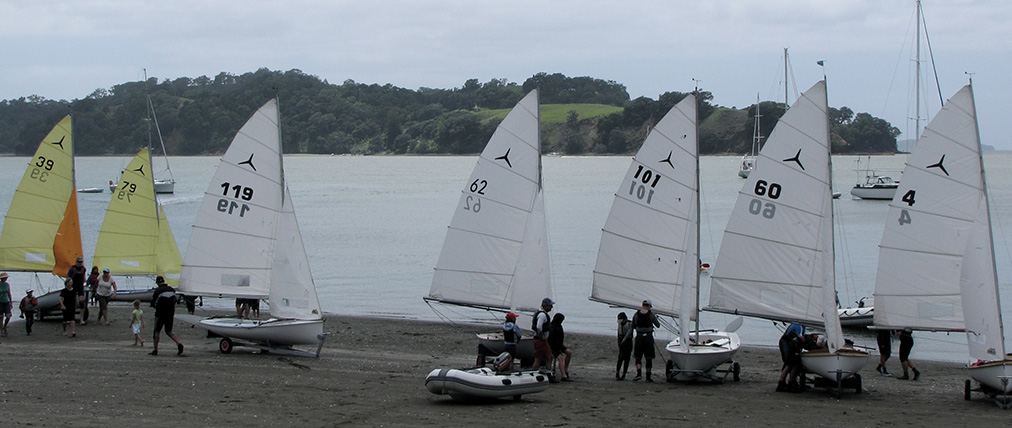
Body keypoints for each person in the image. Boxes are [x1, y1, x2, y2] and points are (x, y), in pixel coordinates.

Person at [150, 276, 183, 356]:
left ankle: (155, 350)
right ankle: (179, 343)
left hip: (160, 314)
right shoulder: (171, 289)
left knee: (157, 331)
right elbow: (175, 300)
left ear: (157, 283)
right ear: (164, 281)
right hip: (170, 314)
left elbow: (154, 303)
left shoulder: (157, 291)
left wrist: (154, 306)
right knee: (169, 331)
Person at [631, 300, 660, 382]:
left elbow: (633, 325)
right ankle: (648, 376)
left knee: (638, 357)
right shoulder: (651, 314)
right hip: (648, 337)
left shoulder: (636, 314)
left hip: (639, 336)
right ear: (649, 306)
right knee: (649, 358)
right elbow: (658, 325)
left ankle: (639, 374)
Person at [776, 323, 806, 392]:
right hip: (787, 343)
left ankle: (789, 382)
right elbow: (797, 338)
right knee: (790, 363)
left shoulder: (802, 326)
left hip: (790, 343)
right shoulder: (798, 325)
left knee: (791, 363)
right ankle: (785, 383)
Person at [530, 298, 554, 374]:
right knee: (540, 358)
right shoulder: (542, 315)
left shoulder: (539, 313)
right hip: (540, 340)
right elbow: (538, 326)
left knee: (548, 357)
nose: (551, 307)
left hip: (541, 340)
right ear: (545, 306)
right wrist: (541, 336)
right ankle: (535, 372)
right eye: (550, 306)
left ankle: (548, 372)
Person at [548, 313, 573, 382]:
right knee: (560, 358)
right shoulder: (551, 327)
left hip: (559, 345)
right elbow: (551, 340)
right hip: (553, 346)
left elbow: (561, 338)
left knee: (569, 352)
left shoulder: (559, 326)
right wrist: (556, 350)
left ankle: (565, 370)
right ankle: (563, 375)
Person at [67, 256, 89, 325]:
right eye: (79, 262)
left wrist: (86, 283)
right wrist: (68, 286)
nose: (80, 263)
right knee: (72, 303)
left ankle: (81, 319)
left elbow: (84, 277)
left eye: (81, 262)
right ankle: (71, 318)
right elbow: (68, 277)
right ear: (76, 262)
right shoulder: (72, 269)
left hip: (80, 287)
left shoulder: (83, 269)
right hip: (73, 287)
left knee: (82, 303)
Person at [616, 312, 633, 380]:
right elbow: (618, 333)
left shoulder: (629, 324)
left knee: (627, 359)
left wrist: (623, 341)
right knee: (620, 357)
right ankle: (617, 372)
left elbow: (629, 333)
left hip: (628, 342)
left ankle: (624, 374)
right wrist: (619, 342)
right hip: (621, 340)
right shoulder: (620, 324)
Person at [0, 272, 11, 337]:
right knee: (1, 317)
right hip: (0, 301)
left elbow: (9, 293)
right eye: (5, 278)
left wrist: (11, 302)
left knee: (8, 316)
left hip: (6, 301)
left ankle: (4, 326)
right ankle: (1, 329)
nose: (6, 279)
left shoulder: (7, 284)